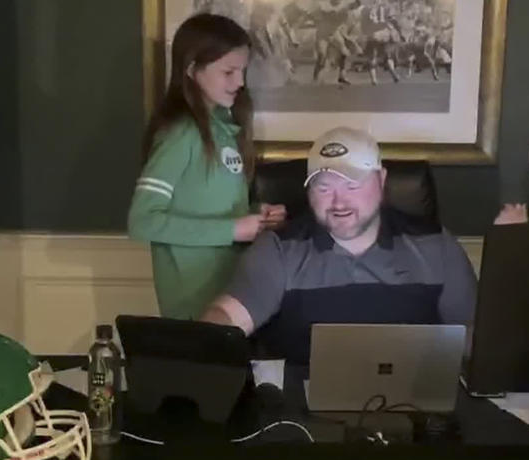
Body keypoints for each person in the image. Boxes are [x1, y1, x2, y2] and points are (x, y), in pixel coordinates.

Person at [202, 127, 477, 364]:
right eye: (324, 187)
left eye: (352, 185)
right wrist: (207, 339)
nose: (338, 202)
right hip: (300, 415)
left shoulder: (436, 245)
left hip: (416, 410)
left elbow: (473, 336)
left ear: (381, 180)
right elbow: (226, 317)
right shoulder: (278, 250)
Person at [128, 13, 286, 319]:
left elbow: (212, 204)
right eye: (228, 71)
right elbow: (142, 221)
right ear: (192, 70)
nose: (240, 82)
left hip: (236, 299)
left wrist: (257, 214)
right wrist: (233, 229)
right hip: (192, 309)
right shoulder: (179, 135)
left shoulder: (227, 128)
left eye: (242, 71)